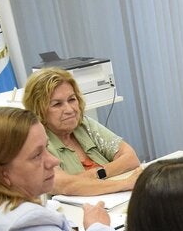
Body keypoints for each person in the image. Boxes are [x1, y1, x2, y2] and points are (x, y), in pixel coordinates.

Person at [22, 67, 141, 196]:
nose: (69, 109)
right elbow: (62, 185)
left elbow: (131, 158)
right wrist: (124, 183)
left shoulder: (84, 124)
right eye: (57, 104)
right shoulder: (37, 141)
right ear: (39, 109)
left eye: (72, 99)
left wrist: (94, 176)